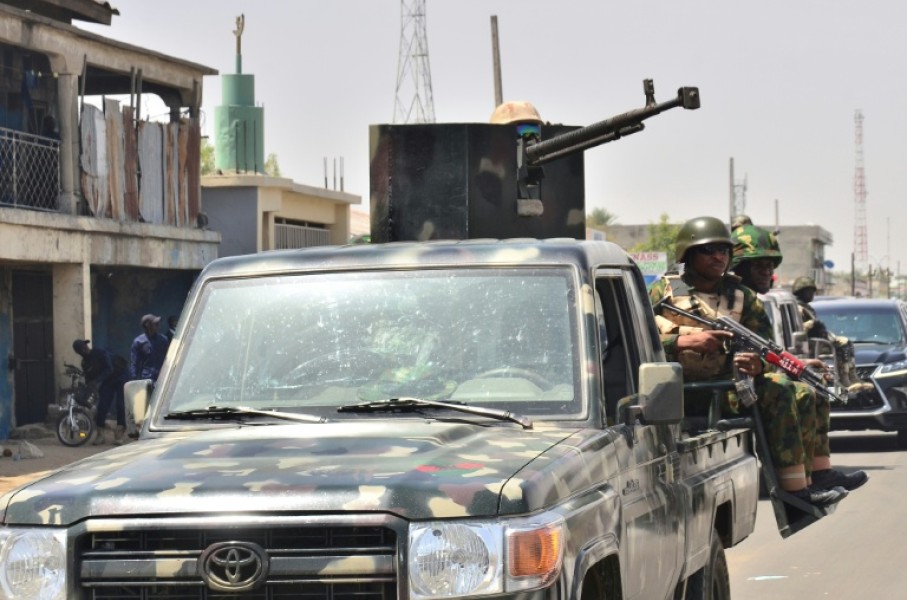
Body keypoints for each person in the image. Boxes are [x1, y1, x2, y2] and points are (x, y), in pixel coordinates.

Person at [649, 216, 844, 507]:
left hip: (726, 389)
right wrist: (682, 342)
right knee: (781, 390)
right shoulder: (664, 291)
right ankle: (796, 494)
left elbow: (763, 346)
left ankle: (804, 487)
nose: (719, 257)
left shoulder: (741, 295)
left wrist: (757, 365)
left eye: (724, 251)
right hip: (677, 394)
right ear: (688, 254)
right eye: (709, 250)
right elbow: (638, 340)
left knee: (802, 389)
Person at [730, 225, 868, 492]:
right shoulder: (723, 298)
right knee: (790, 391)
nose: (767, 272)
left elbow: (764, 352)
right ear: (740, 267)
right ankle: (795, 488)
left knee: (814, 388)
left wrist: (798, 365)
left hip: (746, 377)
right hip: (725, 384)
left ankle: (819, 475)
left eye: (770, 266)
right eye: (759, 266)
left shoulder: (748, 300)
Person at [792, 276, 870, 394]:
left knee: (846, 343)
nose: (812, 294)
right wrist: (812, 324)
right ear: (801, 291)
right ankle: (844, 380)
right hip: (808, 344)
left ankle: (851, 377)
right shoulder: (797, 308)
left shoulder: (806, 307)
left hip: (816, 340)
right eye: (810, 291)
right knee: (842, 346)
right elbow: (798, 328)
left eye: (813, 291)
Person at [72, 339, 129, 445]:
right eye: (82, 348)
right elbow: (89, 381)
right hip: (107, 381)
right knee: (102, 406)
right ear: (79, 352)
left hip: (121, 376)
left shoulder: (99, 352)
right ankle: (100, 434)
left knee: (120, 405)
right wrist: (87, 394)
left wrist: (96, 381)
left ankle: (119, 433)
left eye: (86, 346)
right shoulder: (85, 363)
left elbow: (109, 368)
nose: (86, 348)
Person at [130, 314, 169, 383]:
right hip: (147, 379)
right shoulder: (138, 342)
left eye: (158, 323)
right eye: (156, 324)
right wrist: (134, 380)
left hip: (163, 377)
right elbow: (135, 363)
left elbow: (169, 358)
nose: (158, 326)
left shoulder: (163, 339)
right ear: (147, 325)